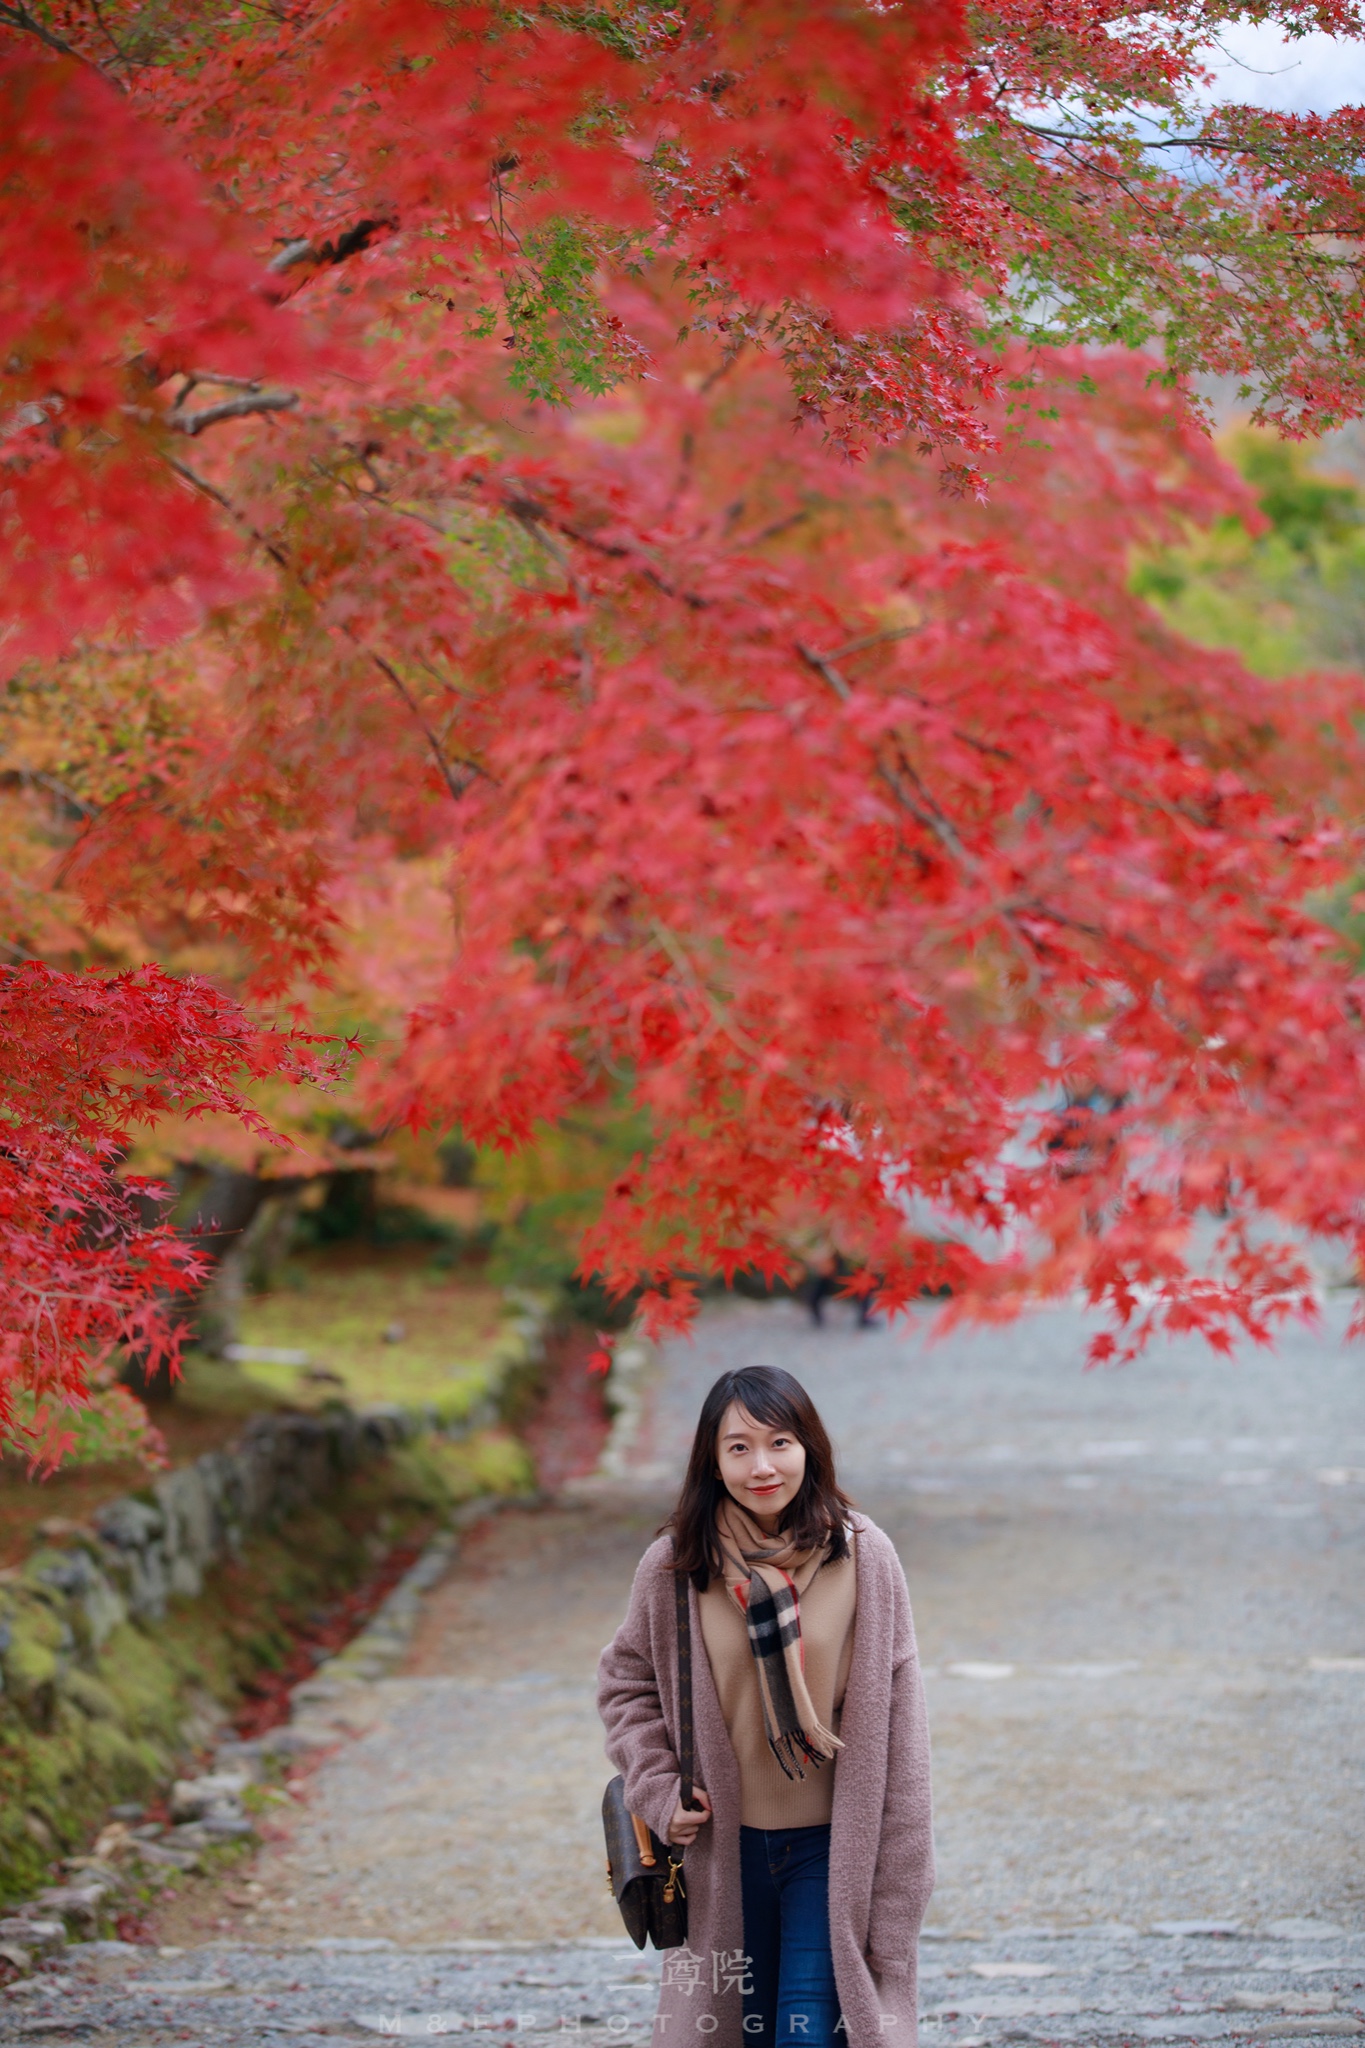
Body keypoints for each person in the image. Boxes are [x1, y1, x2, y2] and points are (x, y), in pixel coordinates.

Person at [597, 1366, 934, 2048]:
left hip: (830, 1853)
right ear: (712, 1462)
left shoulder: (865, 1556)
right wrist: (658, 1788)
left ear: (808, 1448)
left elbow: (903, 1734)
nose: (762, 1466)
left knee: (804, 2035)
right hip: (723, 1855)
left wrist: (898, 1902)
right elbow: (624, 1683)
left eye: (779, 1443)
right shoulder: (675, 1567)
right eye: (739, 1447)